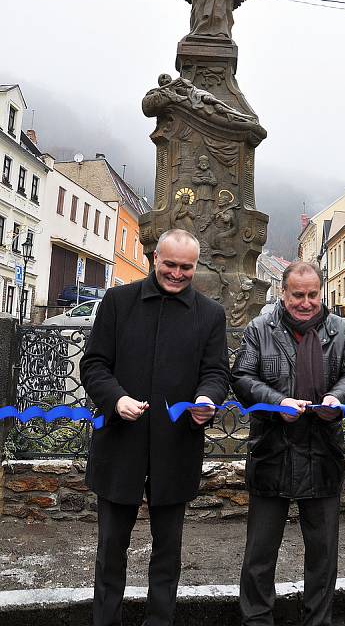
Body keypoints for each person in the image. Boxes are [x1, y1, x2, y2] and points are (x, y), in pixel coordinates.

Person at [80, 229, 229, 626]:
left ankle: (159, 621)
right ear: (154, 259)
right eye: (170, 265)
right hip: (120, 442)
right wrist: (116, 399)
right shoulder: (117, 302)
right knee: (111, 548)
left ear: (196, 266)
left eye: (186, 267)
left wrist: (206, 400)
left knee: (168, 550)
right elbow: (94, 365)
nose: (177, 274)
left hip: (176, 446)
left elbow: (216, 372)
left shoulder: (211, 314)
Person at [231, 261, 345, 626]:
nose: (306, 302)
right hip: (272, 452)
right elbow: (242, 378)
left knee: (323, 556)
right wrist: (277, 404)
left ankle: (317, 621)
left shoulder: (342, 331)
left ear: (321, 292)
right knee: (260, 554)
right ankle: (257, 620)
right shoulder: (260, 329)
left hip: (323, 452)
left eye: (313, 295)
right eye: (298, 295)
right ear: (283, 292)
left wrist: (338, 398)